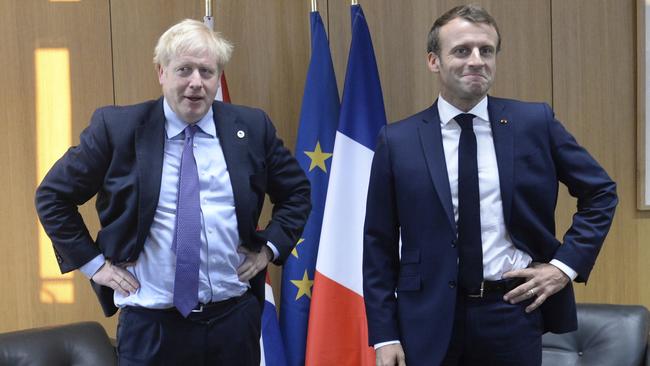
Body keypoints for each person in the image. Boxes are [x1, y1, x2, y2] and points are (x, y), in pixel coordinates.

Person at [35, 19, 310, 365]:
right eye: (184, 70)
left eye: (207, 72)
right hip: (152, 327)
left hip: (233, 323)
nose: (196, 83)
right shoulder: (117, 129)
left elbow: (297, 191)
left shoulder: (252, 128)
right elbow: (53, 196)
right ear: (161, 72)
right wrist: (95, 266)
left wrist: (268, 249)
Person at [362, 5, 617, 366]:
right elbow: (378, 244)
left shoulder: (534, 123)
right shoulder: (398, 140)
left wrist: (564, 267)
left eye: (487, 50)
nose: (477, 60)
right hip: (426, 319)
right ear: (434, 61)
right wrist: (384, 335)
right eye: (462, 50)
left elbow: (601, 192)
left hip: (511, 312)